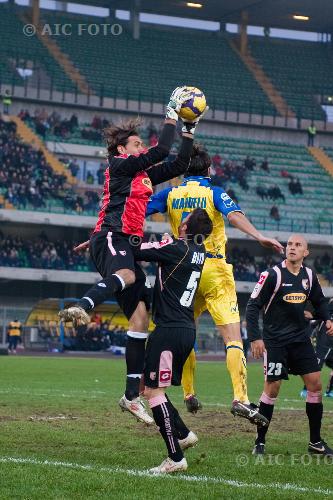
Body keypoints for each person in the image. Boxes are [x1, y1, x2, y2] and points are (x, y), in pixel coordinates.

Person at [59, 87, 207, 425]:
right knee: (126, 276)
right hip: (114, 237)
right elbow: (162, 150)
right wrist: (172, 114)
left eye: (142, 144)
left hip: (121, 242)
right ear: (122, 149)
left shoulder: (142, 175)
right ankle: (82, 306)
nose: (141, 148)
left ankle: (129, 396)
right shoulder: (119, 165)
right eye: (137, 144)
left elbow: (179, 162)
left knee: (141, 318)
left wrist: (189, 130)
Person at [146, 144, 283, 423]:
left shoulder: (170, 194)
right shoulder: (214, 193)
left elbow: (140, 211)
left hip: (184, 268)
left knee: (186, 330)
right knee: (232, 338)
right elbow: (233, 215)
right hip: (214, 268)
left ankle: (188, 392)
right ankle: (240, 398)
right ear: (208, 170)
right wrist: (259, 236)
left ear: (185, 170)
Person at [132, 208, 213, 474]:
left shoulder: (177, 248)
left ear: (187, 228)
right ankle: (184, 434)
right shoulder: (197, 252)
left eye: (185, 219)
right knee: (155, 390)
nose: (181, 221)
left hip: (168, 330)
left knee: (154, 393)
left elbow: (138, 249)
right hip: (184, 329)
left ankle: (175, 458)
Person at [246, 234, 333, 456]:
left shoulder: (309, 276)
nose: (292, 248)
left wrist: (327, 319)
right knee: (272, 389)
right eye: (289, 245)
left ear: (306, 253)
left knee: (315, 384)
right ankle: (260, 441)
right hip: (275, 342)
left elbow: (320, 301)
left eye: (298, 245)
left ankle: (315, 442)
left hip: (300, 341)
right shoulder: (272, 275)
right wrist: (256, 338)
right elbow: (253, 306)